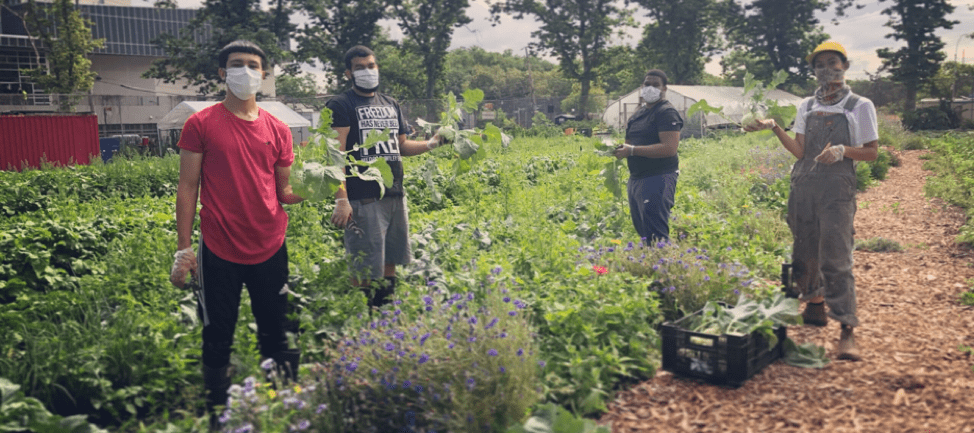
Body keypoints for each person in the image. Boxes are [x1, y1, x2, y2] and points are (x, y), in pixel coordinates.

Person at [168, 39, 305, 423]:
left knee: (277, 332)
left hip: (270, 245)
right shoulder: (201, 124)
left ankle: (285, 409)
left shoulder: (278, 129)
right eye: (236, 64)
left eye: (252, 65)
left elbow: (285, 192)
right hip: (219, 249)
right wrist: (184, 250)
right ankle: (218, 413)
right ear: (221, 73)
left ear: (263, 74)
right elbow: (188, 187)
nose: (245, 70)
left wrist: (326, 186)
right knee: (217, 335)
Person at [744, 41, 878, 361]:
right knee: (804, 251)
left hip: (836, 188)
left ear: (845, 66)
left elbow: (872, 152)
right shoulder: (806, 105)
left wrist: (844, 151)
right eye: (819, 65)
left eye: (832, 62)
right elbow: (800, 151)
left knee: (836, 255)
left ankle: (847, 329)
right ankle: (814, 306)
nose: (825, 69)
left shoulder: (859, 105)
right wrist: (774, 126)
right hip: (803, 184)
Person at [327, 45, 445, 310]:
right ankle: (362, 320)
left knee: (388, 261)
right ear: (349, 73)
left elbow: (401, 147)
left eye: (371, 66)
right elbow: (335, 155)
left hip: (394, 196)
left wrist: (433, 143)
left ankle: (386, 318)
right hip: (364, 198)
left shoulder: (391, 103)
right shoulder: (341, 104)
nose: (367, 71)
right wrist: (342, 200)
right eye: (360, 68)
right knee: (364, 268)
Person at [614, 69, 684, 243]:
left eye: (655, 85)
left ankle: (664, 265)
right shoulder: (638, 113)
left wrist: (632, 150)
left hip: (658, 177)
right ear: (641, 87)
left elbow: (669, 148)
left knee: (656, 233)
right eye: (647, 84)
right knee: (643, 229)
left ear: (664, 89)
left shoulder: (666, 113)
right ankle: (651, 264)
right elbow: (629, 142)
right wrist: (620, 149)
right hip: (637, 178)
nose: (650, 88)